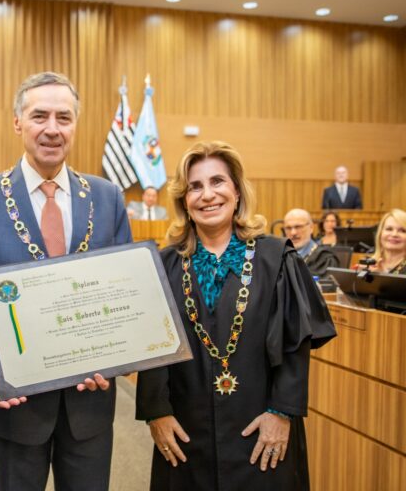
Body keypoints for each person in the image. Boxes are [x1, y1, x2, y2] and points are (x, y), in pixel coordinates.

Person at [0, 71, 132, 491]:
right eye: (39, 116)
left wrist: (116, 356)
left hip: (90, 401)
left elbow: (125, 291)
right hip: (14, 401)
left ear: (75, 125)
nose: (52, 128)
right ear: (18, 123)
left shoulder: (106, 197)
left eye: (63, 118)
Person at [136, 141, 336, 491]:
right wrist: (157, 413)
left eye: (218, 182)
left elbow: (295, 344)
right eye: (195, 187)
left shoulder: (278, 259)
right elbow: (153, 349)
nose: (207, 195)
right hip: (185, 433)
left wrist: (282, 412)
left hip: (260, 429)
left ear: (237, 192)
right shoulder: (163, 265)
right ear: (184, 200)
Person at [283, 209, 340, 278]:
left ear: (311, 228)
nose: (293, 233)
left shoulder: (325, 259)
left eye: (298, 227)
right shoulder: (280, 257)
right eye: (288, 228)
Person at [368, 208, 406, 274]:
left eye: (402, 231)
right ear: (380, 233)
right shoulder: (368, 263)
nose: (394, 234)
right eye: (389, 229)